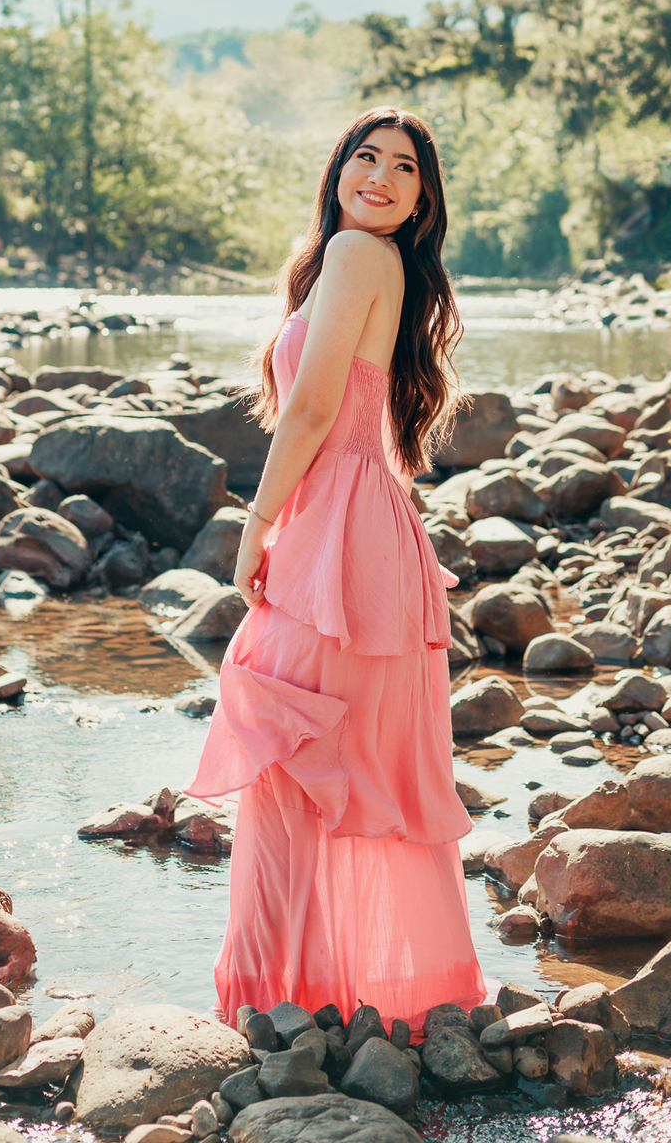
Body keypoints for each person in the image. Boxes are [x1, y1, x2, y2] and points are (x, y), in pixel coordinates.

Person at [186, 106, 486, 1031]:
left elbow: (312, 409)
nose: (383, 178)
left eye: (406, 168)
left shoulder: (360, 256)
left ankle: (281, 1001)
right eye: (368, 157)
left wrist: (255, 525)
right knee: (331, 764)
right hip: (362, 525)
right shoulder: (357, 261)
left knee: (294, 757)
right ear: (339, 169)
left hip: (339, 529)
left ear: (423, 199)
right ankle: (349, 997)